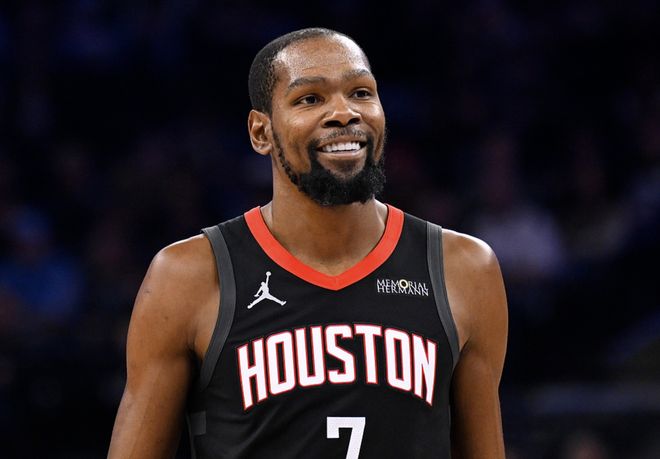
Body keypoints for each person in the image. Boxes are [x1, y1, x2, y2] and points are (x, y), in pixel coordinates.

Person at [107, 27, 508, 458]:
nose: (344, 113)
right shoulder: (188, 276)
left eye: (361, 93)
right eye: (309, 99)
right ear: (261, 132)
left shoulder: (464, 268)